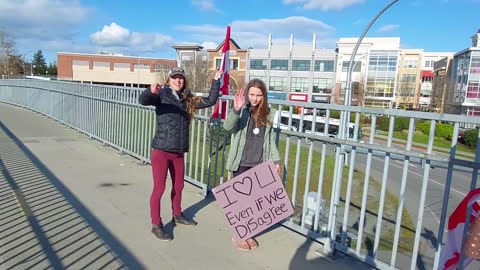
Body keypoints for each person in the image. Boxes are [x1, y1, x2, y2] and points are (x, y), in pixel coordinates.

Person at [139, 67, 223, 241]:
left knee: (178, 187)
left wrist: (216, 81)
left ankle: (177, 214)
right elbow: (143, 100)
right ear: (169, 80)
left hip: (178, 152)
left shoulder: (188, 99)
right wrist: (150, 91)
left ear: (184, 81)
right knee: (159, 188)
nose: (178, 81)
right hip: (161, 151)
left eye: (181, 78)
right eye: (174, 78)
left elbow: (210, 101)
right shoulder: (161, 95)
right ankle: (156, 224)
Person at [223, 78, 281, 251]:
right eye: (252, 94)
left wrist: (276, 160)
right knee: (241, 202)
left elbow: (270, 140)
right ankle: (238, 235)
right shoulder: (242, 110)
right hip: (241, 160)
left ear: (264, 96)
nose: (255, 98)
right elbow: (227, 127)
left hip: (259, 162)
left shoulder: (270, 113)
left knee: (254, 202)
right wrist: (236, 109)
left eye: (258, 95)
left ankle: (246, 233)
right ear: (247, 94)